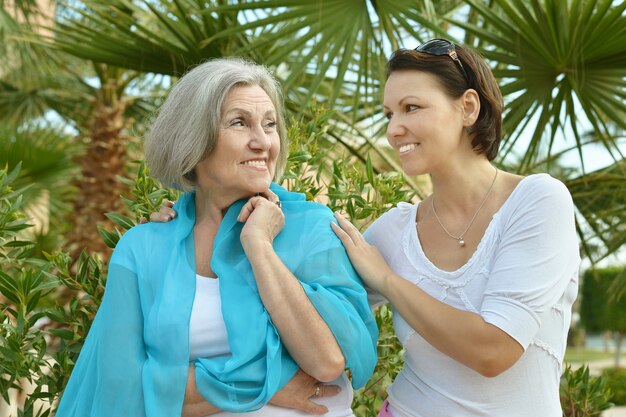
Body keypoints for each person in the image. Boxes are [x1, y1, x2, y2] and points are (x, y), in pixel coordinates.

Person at [55, 58, 378, 417]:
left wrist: (259, 247)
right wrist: (266, 385)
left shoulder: (314, 228)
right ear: (192, 140)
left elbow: (326, 361)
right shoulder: (144, 247)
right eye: (239, 123)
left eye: (269, 124)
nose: (262, 141)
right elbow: (119, 384)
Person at [331, 39, 580, 417]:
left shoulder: (538, 202)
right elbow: (320, 311)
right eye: (388, 114)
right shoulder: (393, 231)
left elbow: (493, 351)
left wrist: (388, 281)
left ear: (467, 107)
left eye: (411, 108)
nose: (394, 129)